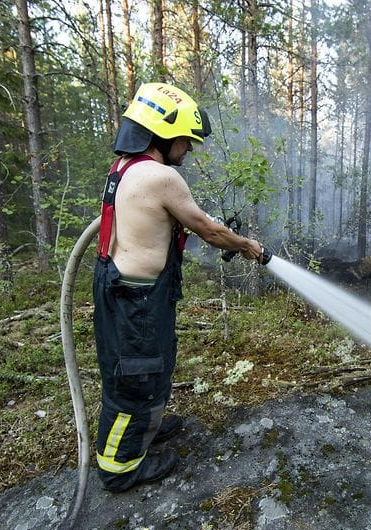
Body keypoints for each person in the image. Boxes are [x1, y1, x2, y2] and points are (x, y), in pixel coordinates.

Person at [93, 82, 267, 493]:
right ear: (162, 134)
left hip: (132, 292)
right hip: (135, 299)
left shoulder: (125, 169)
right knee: (133, 377)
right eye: (185, 142)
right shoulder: (160, 177)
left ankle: (146, 430)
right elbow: (207, 229)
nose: (188, 149)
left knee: (151, 368)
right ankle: (119, 468)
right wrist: (247, 247)